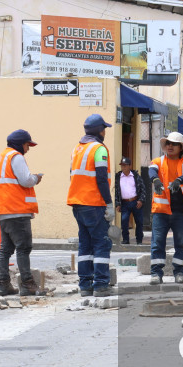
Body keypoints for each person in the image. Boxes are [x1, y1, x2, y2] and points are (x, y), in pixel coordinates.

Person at [67, 114, 114, 298]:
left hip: (77, 203)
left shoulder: (77, 149)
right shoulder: (99, 149)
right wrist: (108, 203)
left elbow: (72, 175)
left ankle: (85, 285)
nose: (105, 132)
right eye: (104, 129)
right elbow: (101, 178)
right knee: (102, 243)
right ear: (100, 131)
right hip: (94, 203)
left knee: (85, 245)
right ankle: (101, 284)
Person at [0, 129, 44, 296]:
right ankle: (28, 285)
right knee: (23, 247)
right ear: (21, 144)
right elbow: (26, 180)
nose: (28, 149)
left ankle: (4, 285)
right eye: (27, 145)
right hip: (16, 210)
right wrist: (36, 178)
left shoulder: (3, 157)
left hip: (3, 210)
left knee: (5, 249)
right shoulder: (16, 157)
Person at [149, 132, 183, 285]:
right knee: (157, 243)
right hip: (160, 211)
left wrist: (179, 180)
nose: (170, 146)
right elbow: (152, 170)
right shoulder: (158, 161)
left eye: (174, 144)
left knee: (181, 244)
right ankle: (156, 274)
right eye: (168, 143)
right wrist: (155, 180)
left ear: (181, 147)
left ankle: (180, 272)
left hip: (180, 211)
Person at [114, 157, 146, 245]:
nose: (123, 167)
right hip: (124, 203)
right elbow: (116, 191)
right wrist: (117, 203)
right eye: (122, 165)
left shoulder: (135, 176)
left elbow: (143, 189)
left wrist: (141, 200)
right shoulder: (118, 177)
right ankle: (125, 239)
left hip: (135, 202)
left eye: (125, 165)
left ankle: (139, 240)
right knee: (124, 221)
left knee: (139, 222)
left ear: (129, 166)